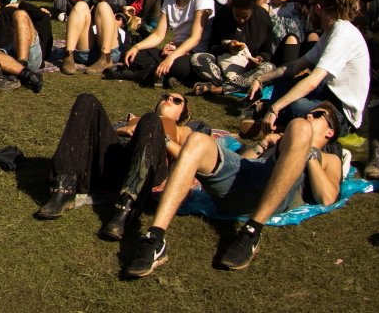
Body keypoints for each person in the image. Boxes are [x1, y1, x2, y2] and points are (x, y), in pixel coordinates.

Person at [124, 101, 345, 277]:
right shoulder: (281, 141)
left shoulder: (329, 158)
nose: (309, 115)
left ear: (330, 133)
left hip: (277, 187)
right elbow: (241, 163)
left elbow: (327, 196)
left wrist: (307, 151)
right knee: (197, 139)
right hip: (246, 176)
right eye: (310, 112)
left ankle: (251, 232)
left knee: (299, 126)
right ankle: (155, 238)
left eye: (317, 115)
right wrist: (264, 145)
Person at [35, 91, 193, 240]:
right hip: (115, 160)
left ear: (182, 115)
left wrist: (160, 137)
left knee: (152, 119)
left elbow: (188, 158)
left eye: (176, 100)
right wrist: (124, 129)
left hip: (146, 168)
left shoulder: (182, 130)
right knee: (87, 99)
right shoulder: (135, 119)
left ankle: (126, 210)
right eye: (166, 96)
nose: (169, 100)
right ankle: (64, 190)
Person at [246, 0, 369, 138]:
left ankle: (273, 116)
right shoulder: (330, 32)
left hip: (341, 113)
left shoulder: (342, 33)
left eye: (309, 5)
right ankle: (274, 116)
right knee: (284, 81)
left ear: (318, 8)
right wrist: (261, 78)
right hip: (328, 93)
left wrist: (275, 108)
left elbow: (313, 81)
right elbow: (295, 66)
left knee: (294, 106)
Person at [108, 0, 214, 87]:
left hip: (193, 54)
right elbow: (159, 35)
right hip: (173, 50)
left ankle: (138, 75)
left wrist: (172, 55)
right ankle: (163, 77)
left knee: (180, 66)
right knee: (131, 53)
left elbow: (195, 38)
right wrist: (136, 47)